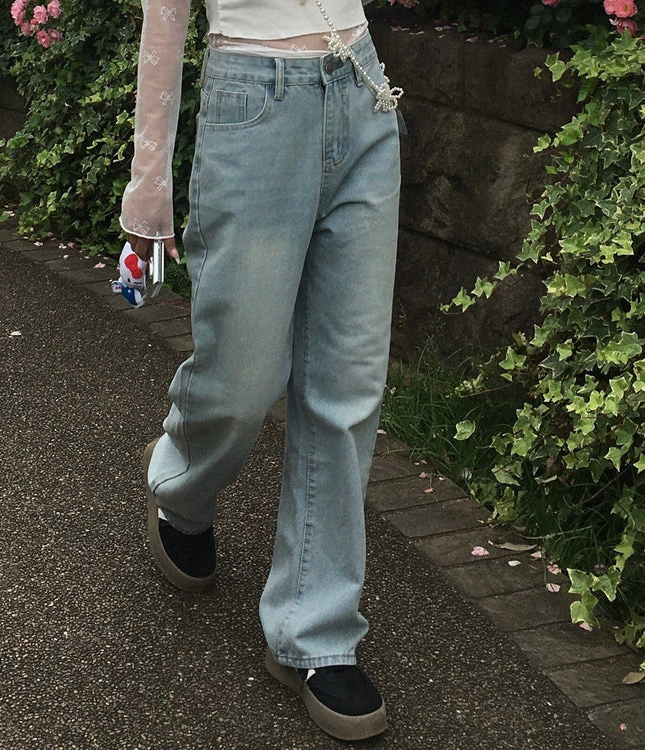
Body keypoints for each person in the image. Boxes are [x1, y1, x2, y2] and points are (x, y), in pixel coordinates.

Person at [120, 0, 402, 741]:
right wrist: (148, 183)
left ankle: (316, 631)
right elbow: (165, 12)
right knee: (241, 383)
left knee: (348, 385)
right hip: (253, 100)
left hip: (362, 88)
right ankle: (183, 484)